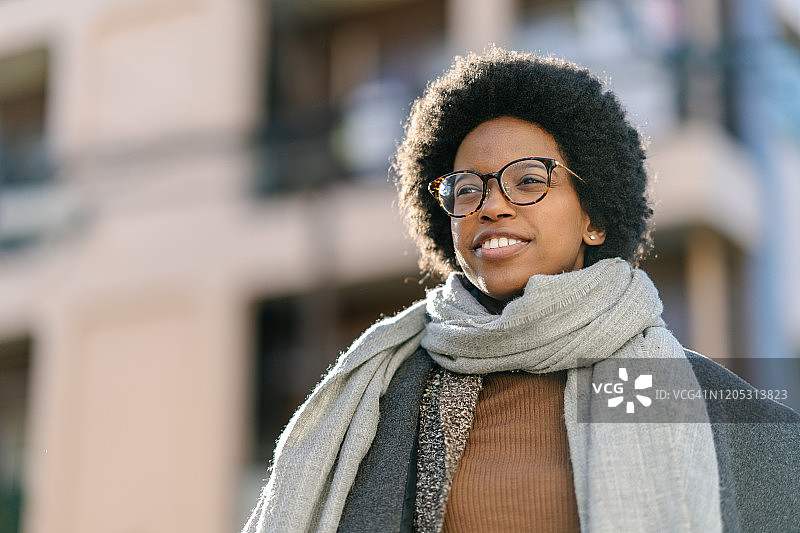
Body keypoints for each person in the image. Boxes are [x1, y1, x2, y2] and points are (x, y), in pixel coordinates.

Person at [243, 47, 800, 533]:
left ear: (595, 218)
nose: (491, 205)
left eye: (529, 180)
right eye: (467, 189)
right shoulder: (385, 390)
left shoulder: (695, 400)